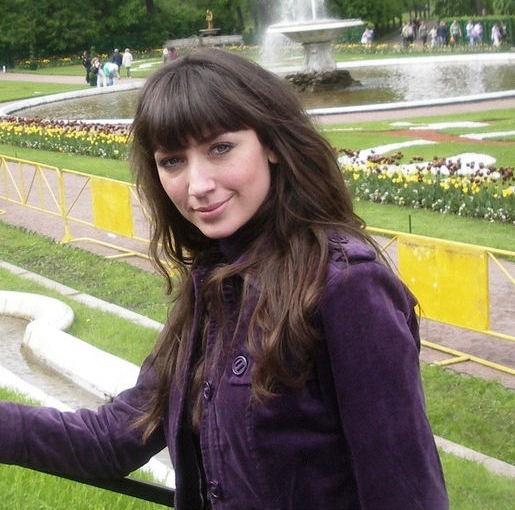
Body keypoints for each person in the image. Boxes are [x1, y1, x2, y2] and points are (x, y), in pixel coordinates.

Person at [0, 49, 448, 509]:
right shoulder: (213, 282)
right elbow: (115, 438)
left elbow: (407, 496)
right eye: (172, 161)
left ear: (272, 143)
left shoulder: (345, 287)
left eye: (220, 148)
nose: (198, 185)